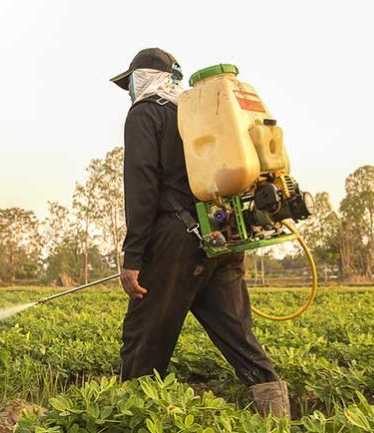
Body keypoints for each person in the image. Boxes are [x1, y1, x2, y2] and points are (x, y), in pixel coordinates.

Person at [110, 48, 290, 418]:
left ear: (141, 79)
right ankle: (277, 417)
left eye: (129, 82)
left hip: (174, 243)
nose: (128, 91)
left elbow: (142, 187)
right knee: (239, 336)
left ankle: (129, 419)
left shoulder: (146, 113)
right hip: (220, 238)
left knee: (143, 339)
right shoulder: (199, 116)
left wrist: (133, 258)